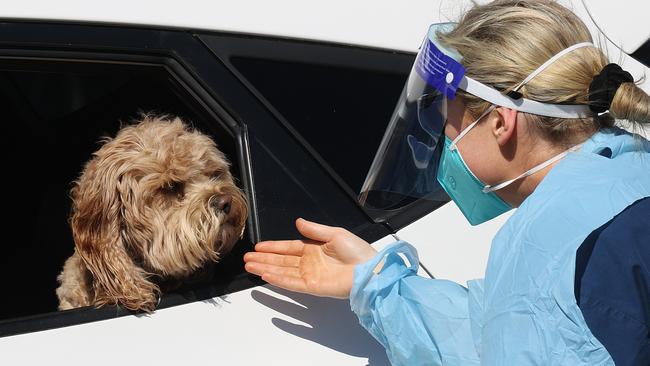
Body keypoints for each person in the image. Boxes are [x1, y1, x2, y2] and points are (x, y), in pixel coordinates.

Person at [243, 1, 650, 365]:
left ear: (499, 123)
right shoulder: (629, 169)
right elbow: (501, 338)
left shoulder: (552, 245)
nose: (446, 143)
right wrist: (373, 282)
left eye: (448, 124)